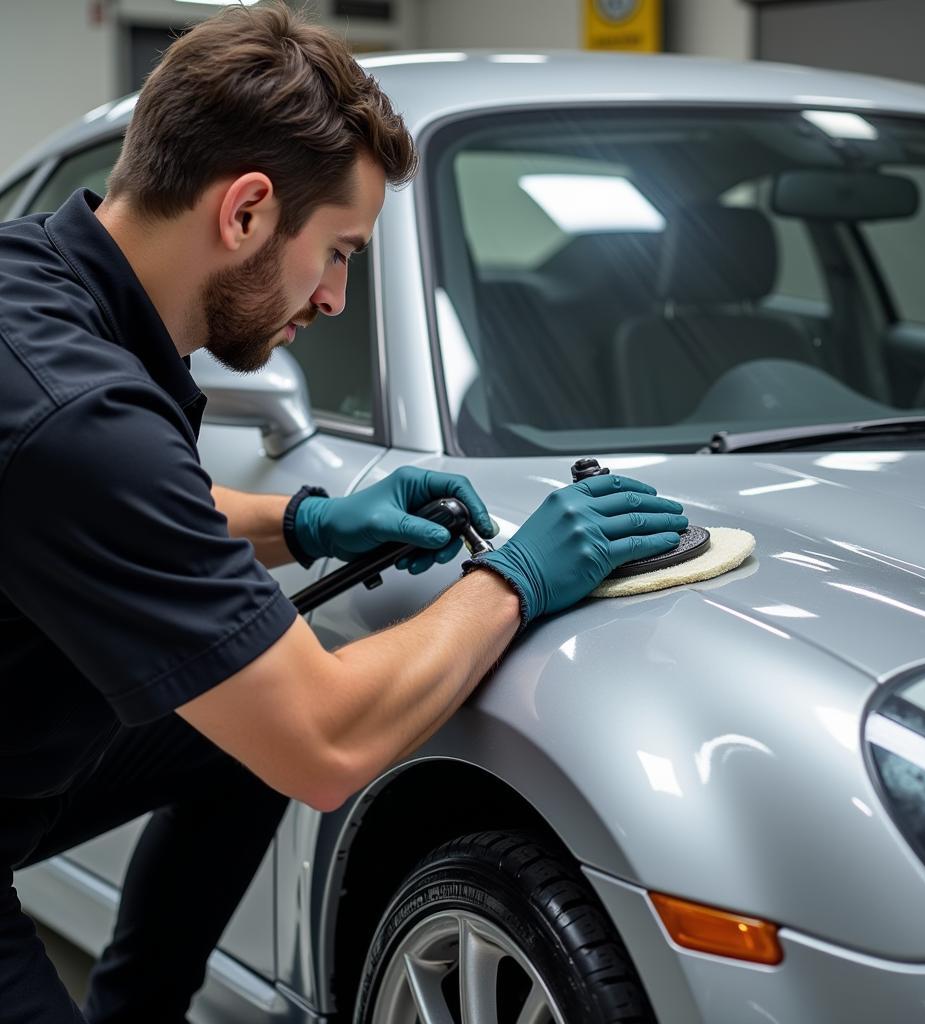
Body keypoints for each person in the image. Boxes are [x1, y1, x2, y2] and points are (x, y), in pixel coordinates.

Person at [0, 3, 688, 1021]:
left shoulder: (41, 288)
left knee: (215, 740)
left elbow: (128, 509)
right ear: (244, 212)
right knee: (270, 721)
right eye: (338, 251)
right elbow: (320, 742)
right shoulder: (77, 411)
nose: (331, 298)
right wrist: (517, 579)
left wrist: (310, 521)